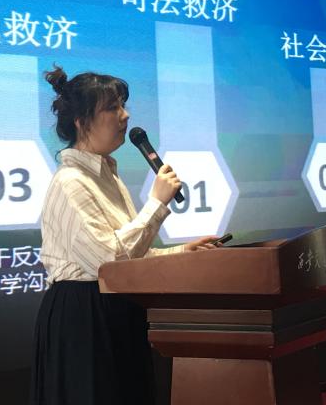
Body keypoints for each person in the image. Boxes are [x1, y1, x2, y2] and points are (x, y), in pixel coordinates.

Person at [30, 66, 218, 405]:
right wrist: (157, 203)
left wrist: (182, 254)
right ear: (81, 122)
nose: (125, 115)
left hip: (116, 308)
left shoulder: (107, 176)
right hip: (84, 316)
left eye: (123, 105)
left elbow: (129, 256)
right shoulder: (70, 181)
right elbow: (109, 262)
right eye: (112, 108)